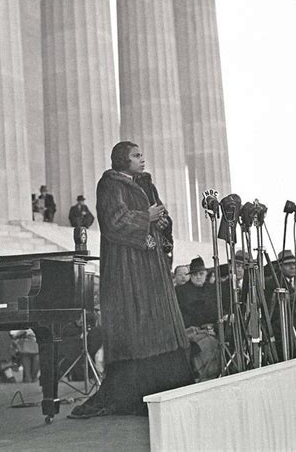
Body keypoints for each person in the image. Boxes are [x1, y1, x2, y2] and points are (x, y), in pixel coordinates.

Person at [69, 141, 193, 418]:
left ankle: (169, 386)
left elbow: (159, 213)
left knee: (157, 321)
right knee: (136, 322)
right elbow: (113, 222)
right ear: (122, 160)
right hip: (127, 267)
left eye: (141, 155)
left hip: (152, 265)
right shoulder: (111, 185)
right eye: (136, 156)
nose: (142, 159)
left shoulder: (145, 183)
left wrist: (161, 222)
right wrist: (145, 217)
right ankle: (134, 394)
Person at [175, 257, 221, 381]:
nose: (198, 277)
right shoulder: (181, 291)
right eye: (195, 274)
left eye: (201, 274)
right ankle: (203, 376)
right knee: (202, 345)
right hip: (192, 330)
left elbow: (218, 310)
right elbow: (182, 314)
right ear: (191, 275)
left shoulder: (212, 289)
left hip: (214, 328)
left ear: (206, 274)